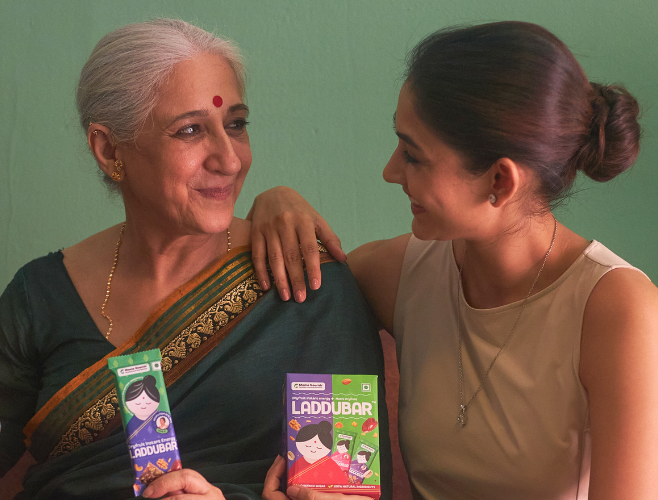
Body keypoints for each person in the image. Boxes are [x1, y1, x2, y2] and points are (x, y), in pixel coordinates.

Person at [254, 21, 658, 499]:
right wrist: (275, 201)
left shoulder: (621, 313)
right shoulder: (400, 275)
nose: (391, 171)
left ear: (499, 180)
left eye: (413, 156)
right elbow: (283, 318)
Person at [0, 19, 391, 500]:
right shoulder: (40, 295)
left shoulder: (306, 282)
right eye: (190, 131)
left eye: (237, 125)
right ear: (108, 149)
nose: (229, 160)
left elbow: (346, 488)